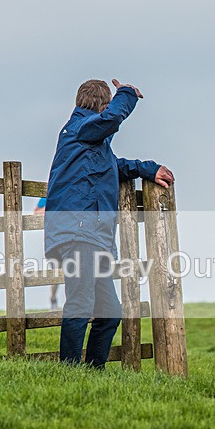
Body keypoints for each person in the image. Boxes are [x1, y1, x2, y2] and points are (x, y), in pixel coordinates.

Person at [44, 79, 174, 368]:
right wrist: (127, 94)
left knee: (111, 312)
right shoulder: (80, 128)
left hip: (92, 237)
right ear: (102, 106)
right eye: (107, 107)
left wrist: (148, 169)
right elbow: (112, 119)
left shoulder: (89, 140)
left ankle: (93, 371)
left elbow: (114, 166)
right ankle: (68, 372)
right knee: (79, 303)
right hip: (77, 231)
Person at [34, 197, 59, 310]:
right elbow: (36, 212)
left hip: (73, 239)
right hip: (54, 241)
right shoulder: (46, 193)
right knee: (56, 272)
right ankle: (53, 298)